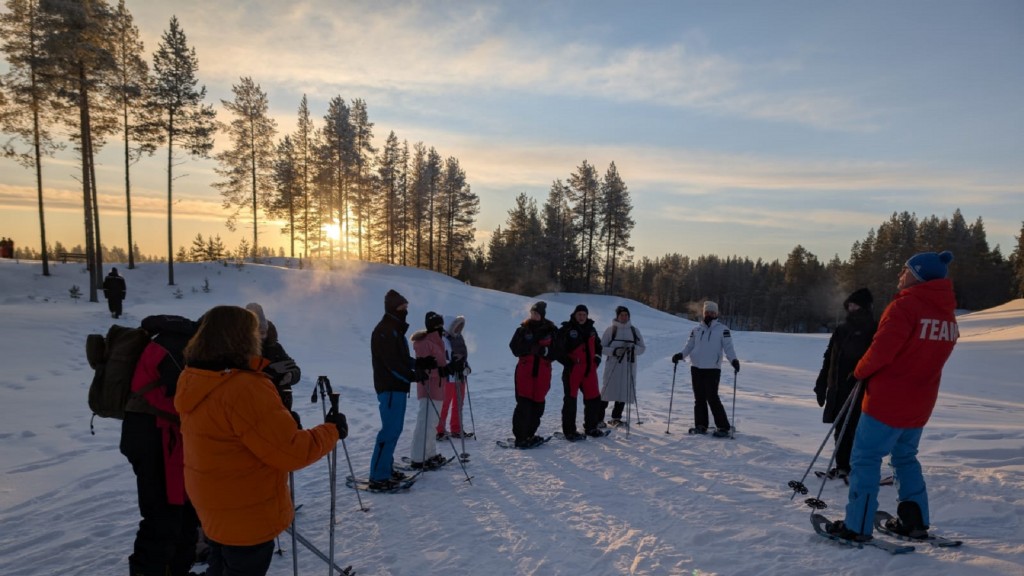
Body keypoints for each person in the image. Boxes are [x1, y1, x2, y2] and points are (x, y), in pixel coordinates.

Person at [175, 305, 345, 576]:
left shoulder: (194, 377)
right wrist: (331, 430)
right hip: (246, 514)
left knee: (219, 566)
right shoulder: (244, 387)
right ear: (244, 338)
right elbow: (291, 452)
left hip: (214, 504)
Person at [826, 251, 959, 542]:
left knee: (866, 459)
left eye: (905, 269)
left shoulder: (905, 306)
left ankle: (857, 525)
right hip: (920, 403)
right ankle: (914, 521)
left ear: (919, 274)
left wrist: (859, 371)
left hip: (887, 401)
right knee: (905, 459)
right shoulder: (946, 313)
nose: (901, 274)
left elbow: (881, 350)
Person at [121, 315, 199, 576]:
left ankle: (177, 570)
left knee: (183, 516)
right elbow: (188, 397)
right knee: (162, 518)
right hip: (154, 439)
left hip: (163, 439)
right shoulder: (173, 346)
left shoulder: (176, 343)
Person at [369, 290, 435, 489]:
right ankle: (378, 476)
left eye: (406, 308)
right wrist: (412, 376)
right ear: (392, 308)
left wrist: (419, 363)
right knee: (389, 431)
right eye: (402, 308)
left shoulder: (395, 330)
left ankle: (386, 469)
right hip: (389, 387)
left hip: (397, 387)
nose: (405, 312)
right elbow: (392, 365)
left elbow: (402, 360)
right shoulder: (385, 331)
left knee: (395, 430)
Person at [813, 288, 876, 480]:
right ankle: (842, 465)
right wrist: (822, 383)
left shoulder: (874, 329)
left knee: (857, 428)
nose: (851, 308)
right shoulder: (841, 329)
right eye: (849, 305)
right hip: (838, 386)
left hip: (860, 387)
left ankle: (856, 467)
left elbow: (876, 359)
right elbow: (829, 357)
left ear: (865, 307)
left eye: (855, 305)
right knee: (840, 426)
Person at [672, 301, 739, 438]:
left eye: (712, 312)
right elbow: (689, 346)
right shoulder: (696, 330)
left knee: (712, 397)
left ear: (716, 314)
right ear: (704, 313)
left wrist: (734, 360)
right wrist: (681, 355)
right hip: (696, 368)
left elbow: (728, 348)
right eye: (707, 312)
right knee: (699, 398)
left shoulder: (722, 329)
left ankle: (723, 427)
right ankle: (701, 425)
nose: (709, 314)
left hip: (712, 369)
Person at [509, 301, 559, 447]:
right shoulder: (523, 329)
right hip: (525, 372)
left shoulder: (551, 330)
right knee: (524, 404)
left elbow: (558, 350)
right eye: (532, 313)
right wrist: (530, 348)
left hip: (543, 372)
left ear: (542, 315)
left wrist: (545, 352)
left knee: (538, 405)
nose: (534, 316)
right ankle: (520, 437)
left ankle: (530, 434)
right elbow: (514, 348)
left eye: (536, 313)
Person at [409, 311, 452, 469]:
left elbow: (439, 364)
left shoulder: (438, 340)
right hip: (428, 388)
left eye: (441, 324)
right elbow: (423, 369)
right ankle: (419, 458)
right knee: (425, 423)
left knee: (432, 423)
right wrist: (440, 371)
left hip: (439, 388)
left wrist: (447, 368)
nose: (440, 327)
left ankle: (430, 454)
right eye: (437, 325)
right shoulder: (424, 342)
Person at [556, 304, 604, 439]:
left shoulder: (592, 329)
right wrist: (567, 362)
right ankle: (570, 431)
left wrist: (597, 360)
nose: (582, 317)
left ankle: (591, 427)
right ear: (574, 315)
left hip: (590, 371)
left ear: (587, 315)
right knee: (571, 400)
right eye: (579, 314)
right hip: (573, 371)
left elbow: (598, 347)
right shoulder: (567, 329)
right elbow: (557, 349)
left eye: (584, 314)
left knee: (593, 399)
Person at [245, 302, 301, 409]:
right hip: (254, 405)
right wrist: (269, 372)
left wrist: (290, 375)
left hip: (282, 404)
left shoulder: (275, 347)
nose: (262, 336)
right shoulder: (242, 350)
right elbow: (239, 378)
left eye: (263, 332)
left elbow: (294, 368)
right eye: (258, 332)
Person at [600, 305, 646, 428]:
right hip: (613, 366)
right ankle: (598, 418)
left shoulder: (634, 331)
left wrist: (633, 348)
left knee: (623, 391)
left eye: (626, 315)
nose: (624, 317)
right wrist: (614, 351)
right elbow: (601, 348)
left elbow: (642, 348)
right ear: (617, 316)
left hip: (628, 366)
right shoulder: (610, 330)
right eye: (622, 315)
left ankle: (616, 418)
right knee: (606, 392)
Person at [437, 316, 471, 440]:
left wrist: (466, 366)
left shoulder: (459, 338)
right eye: (456, 326)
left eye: (460, 326)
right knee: (445, 404)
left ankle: (456, 429)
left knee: (458, 404)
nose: (458, 329)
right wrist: (452, 365)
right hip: (449, 377)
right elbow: (443, 358)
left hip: (460, 376)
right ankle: (439, 430)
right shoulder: (443, 340)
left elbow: (463, 356)